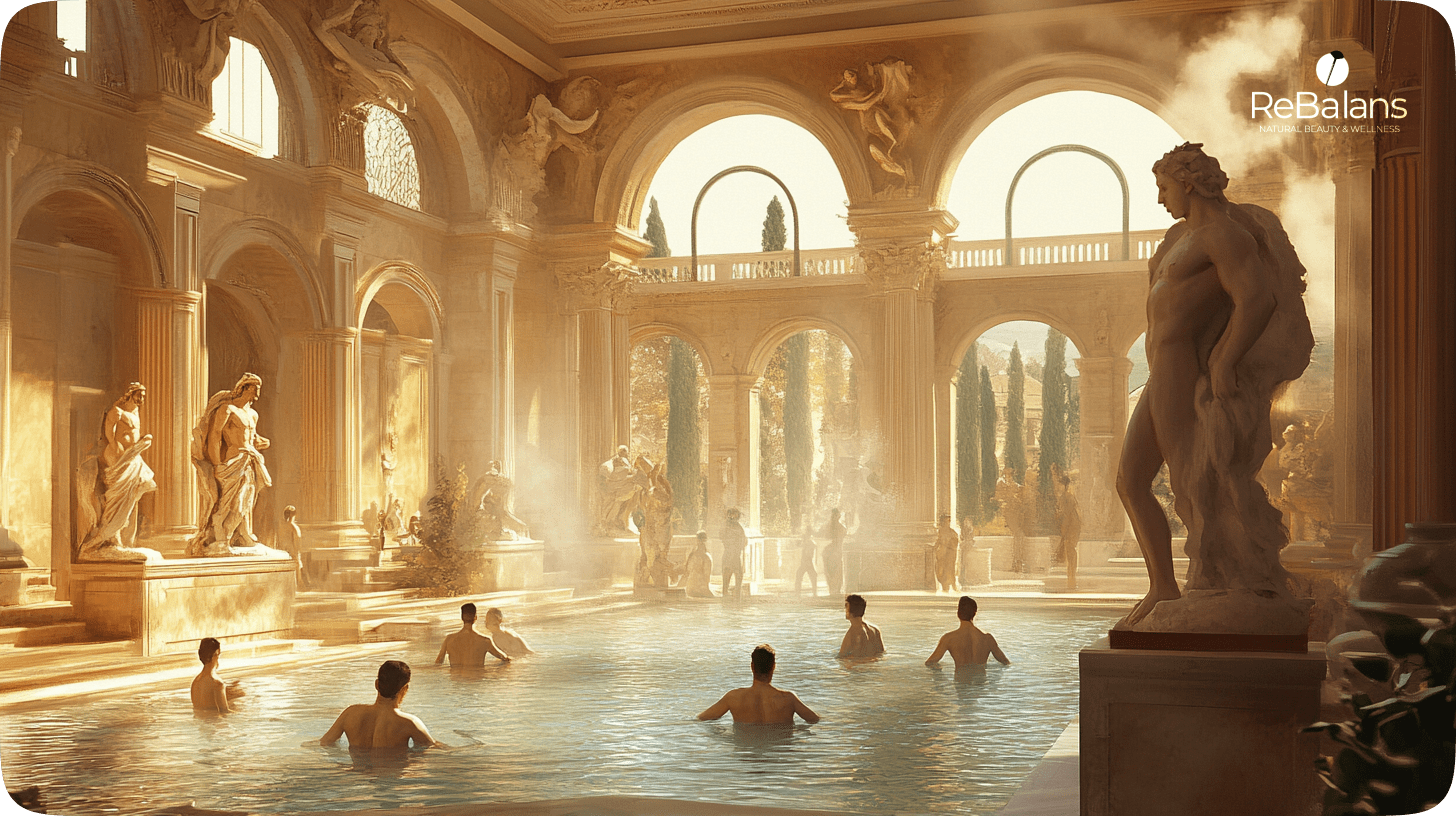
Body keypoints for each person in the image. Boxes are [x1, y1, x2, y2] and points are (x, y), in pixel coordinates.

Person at [1117, 142, 1312, 626]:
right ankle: (1163, 584)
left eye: (1164, 188)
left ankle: (1224, 579)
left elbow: (1257, 299)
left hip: (1184, 368)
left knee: (1195, 483)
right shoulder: (1179, 241)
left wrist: (1224, 360)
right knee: (1129, 481)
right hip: (1160, 371)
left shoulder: (1224, 235)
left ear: (1187, 182)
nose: (1161, 199)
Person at [187, 373, 277, 557]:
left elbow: (252, 438)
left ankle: (243, 533)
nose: (257, 392)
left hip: (250, 460)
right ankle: (222, 538)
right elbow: (214, 437)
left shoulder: (253, 414)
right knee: (232, 503)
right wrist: (217, 464)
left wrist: (261, 443)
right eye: (254, 388)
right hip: (232, 463)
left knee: (247, 499)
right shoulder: (227, 409)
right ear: (243, 388)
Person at [75, 383, 161, 563]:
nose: (142, 399)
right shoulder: (117, 411)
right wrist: (116, 447)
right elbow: (109, 431)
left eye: (143, 395)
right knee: (116, 497)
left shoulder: (135, 413)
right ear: (130, 394)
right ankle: (107, 538)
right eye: (139, 395)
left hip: (132, 457)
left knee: (134, 491)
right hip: (118, 456)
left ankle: (118, 538)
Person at [319, 660, 441, 750]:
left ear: (376, 684)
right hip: (394, 780)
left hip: (359, 777)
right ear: (405, 689)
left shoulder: (350, 713)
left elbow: (324, 743)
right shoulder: (410, 723)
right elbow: (434, 750)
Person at [697, 644, 820, 725]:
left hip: (747, 757)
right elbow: (815, 720)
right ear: (774, 667)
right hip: (779, 757)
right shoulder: (789, 699)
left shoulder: (733, 697)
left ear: (752, 667)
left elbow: (701, 718)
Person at [925, 596, 1010, 669]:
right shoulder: (987, 639)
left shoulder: (948, 638)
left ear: (958, 613)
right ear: (975, 613)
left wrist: (940, 669)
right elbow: (1006, 663)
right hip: (981, 687)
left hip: (961, 686)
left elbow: (930, 663)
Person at [435, 603, 511, 667]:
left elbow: (438, 663)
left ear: (462, 618)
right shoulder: (485, 641)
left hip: (456, 683)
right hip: (476, 682)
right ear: (475, 618)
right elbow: (505, 659)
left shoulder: (449, 639)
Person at [190, 637, 245, 713]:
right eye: (219, 655)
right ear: (215, 654)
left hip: (200, 723)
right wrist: (242, 714)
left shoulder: (195, 683)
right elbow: (224, 712)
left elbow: (206, 706)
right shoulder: (217, 683)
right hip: (214, 723)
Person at [838, 594, 885, 659]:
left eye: (846, 607)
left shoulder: (853, 633)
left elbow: (842, 658)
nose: (844, 610)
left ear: (849, 609)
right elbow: (881, 653)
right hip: (872, 666)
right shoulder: (875, 629)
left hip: (858, 667)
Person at [818, 508, 847, 596]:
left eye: (835, 515)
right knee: (831, 571)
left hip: (834, 552)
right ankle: (833, 589)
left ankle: (834, 589)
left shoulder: (838, 527)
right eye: (833, 516)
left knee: (834, 571)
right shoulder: (834, 527)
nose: (834, 517)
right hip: (832, 552)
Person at [720, 508, 748, 599]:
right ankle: (726, 595)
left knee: (738, 575)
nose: (735, 517)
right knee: (727, 575)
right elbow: (723, 537)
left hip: (736, 554)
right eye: (733, 515)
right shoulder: (726, 525)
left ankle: (737, 594)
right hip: (729, 554)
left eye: (736, 515)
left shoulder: (737, 526)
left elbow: (744, 539)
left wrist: (742, 541)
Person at [681, 531, 716, 598]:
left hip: (690, 588)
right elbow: (706, 577)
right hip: (700, 589)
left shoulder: (692, 554)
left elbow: (687, 571)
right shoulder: (706, 557)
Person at [933, 514, 959, 593]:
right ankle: (945, 585)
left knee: (949, 570)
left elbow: (955, 543)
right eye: (945, 521)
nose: (947, 523)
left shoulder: (952, 532)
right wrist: (935, 547)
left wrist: (948, 544)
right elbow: (938, 540)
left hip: (949, 555)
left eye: (948, 521)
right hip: (941, 554)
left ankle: (950, 586)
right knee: (940, 570)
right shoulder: (940, 531)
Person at [794, 522, 818, 596]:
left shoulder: (810, 542)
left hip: (807, 561)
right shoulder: (810, 541)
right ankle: (813, 592)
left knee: (801, 576)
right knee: (811, 577)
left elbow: (808, 552)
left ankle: (798, 592)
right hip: (807, 562)